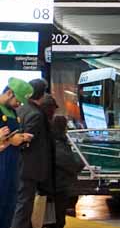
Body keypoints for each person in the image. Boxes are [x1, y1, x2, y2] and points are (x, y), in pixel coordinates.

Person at [12, 79, 53, 228]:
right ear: (42, 95)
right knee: (24, 205)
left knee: (19, 203)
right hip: (29, 166)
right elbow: (26, 139)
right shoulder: (35, 114)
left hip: (19, 165)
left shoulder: (19, 110)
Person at [0, 78, 34, 228]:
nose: (19, 105)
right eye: (17, 101)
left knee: (9, 204)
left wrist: (20, 138)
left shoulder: (13, 112)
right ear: (9, 93)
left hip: (12, 165)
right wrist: (7, 141)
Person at [50, 115, 83, 228]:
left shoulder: (52, 141)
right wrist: (80, 162)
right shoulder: (58, 143)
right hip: (60, 187)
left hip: (55, 186)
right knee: (58, 219)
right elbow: (72, 163)